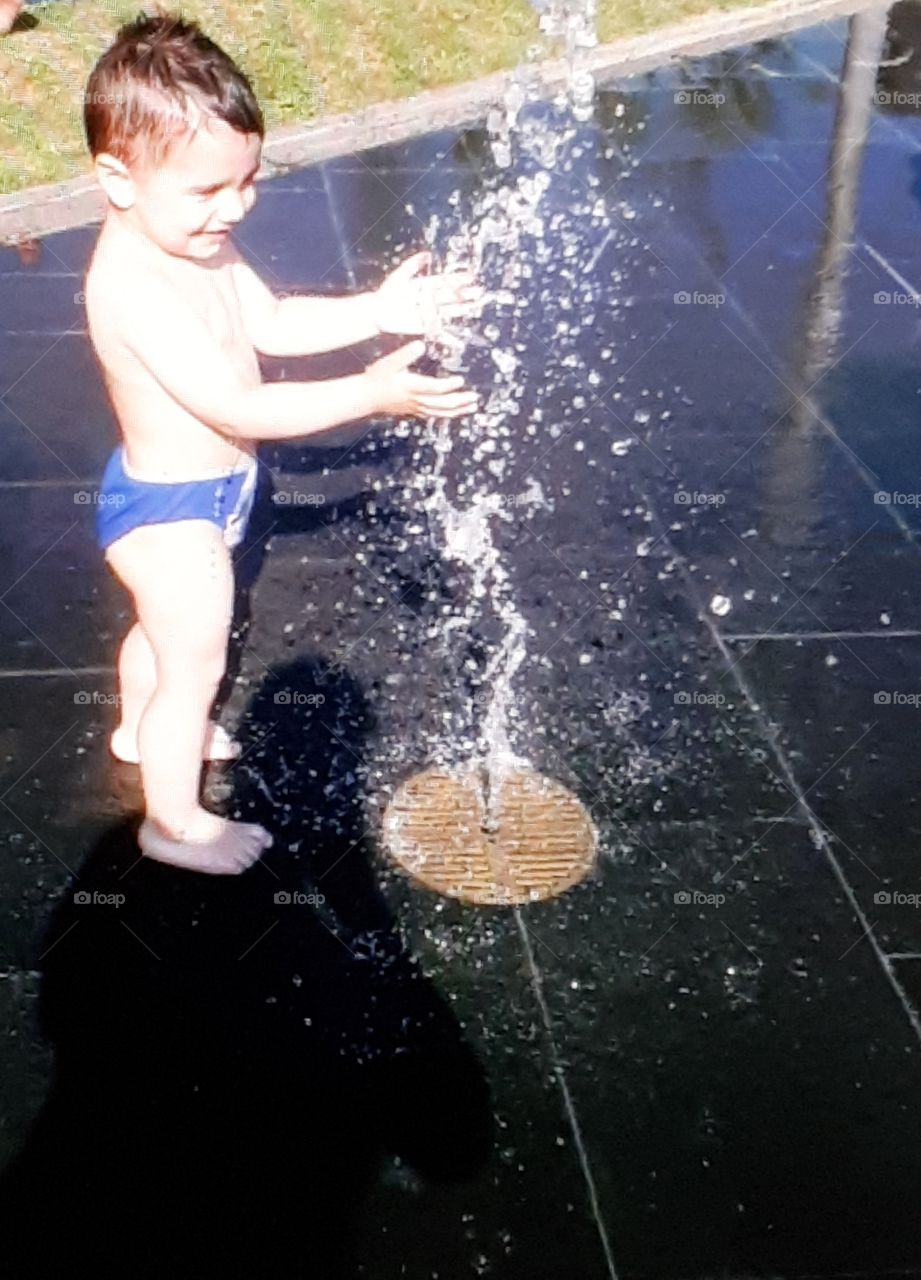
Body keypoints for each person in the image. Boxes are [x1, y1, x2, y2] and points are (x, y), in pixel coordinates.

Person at [82, 10, 482, 875]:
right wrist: (371, 393)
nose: (233, 209)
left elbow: (272, 322)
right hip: (168, 510)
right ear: (118, 178)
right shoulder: (134, 287)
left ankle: (136, 725)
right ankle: (174, 825)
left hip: (205, 495)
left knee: (161, 642)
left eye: (248, 182)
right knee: (194, 657)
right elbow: (240, 407)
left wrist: (375, 311)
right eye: (207, 192)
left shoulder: (196, 248)